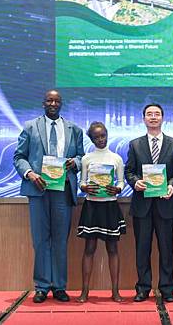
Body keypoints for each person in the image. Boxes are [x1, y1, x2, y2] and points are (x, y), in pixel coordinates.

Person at [13, 89, 85, 303]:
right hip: (38, 189)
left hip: (62, 190)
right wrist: (30, 174)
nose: (53, 103)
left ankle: (59, 286)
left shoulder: (74, 129)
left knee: (60, 240)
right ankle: (42, 286)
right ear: (43, 103)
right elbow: (19, 157)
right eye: (49, 100)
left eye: (57, 100)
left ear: (61, 104)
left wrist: (76, 163)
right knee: (40, 240)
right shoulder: (29, 127)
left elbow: (81, 156)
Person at [125, 103, 173, 303]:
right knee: (142, 249)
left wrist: (172, 186)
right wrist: (136, 182)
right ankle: (143, 288)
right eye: (149, 114)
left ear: (162, 118)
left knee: (166, 249)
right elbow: (129, 171)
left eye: (157, 114)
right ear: (143, 119)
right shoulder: (135, 144)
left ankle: (167, 289)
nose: (153, 117)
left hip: (166, 203)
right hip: (142, 204)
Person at [76, 122, 126, 303]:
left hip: (110, 206)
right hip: (92, 206)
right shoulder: (86, 159)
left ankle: (115, 291)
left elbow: (121, 182)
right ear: (91, 139)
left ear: (107, 134)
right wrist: (85, 187)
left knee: (113, 248)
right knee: (89, 249)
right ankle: (85, 291)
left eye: (103, 135)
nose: (101, 139)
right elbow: (81, 182)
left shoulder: (116, 158)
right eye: (96, 137)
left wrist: (118, 189)